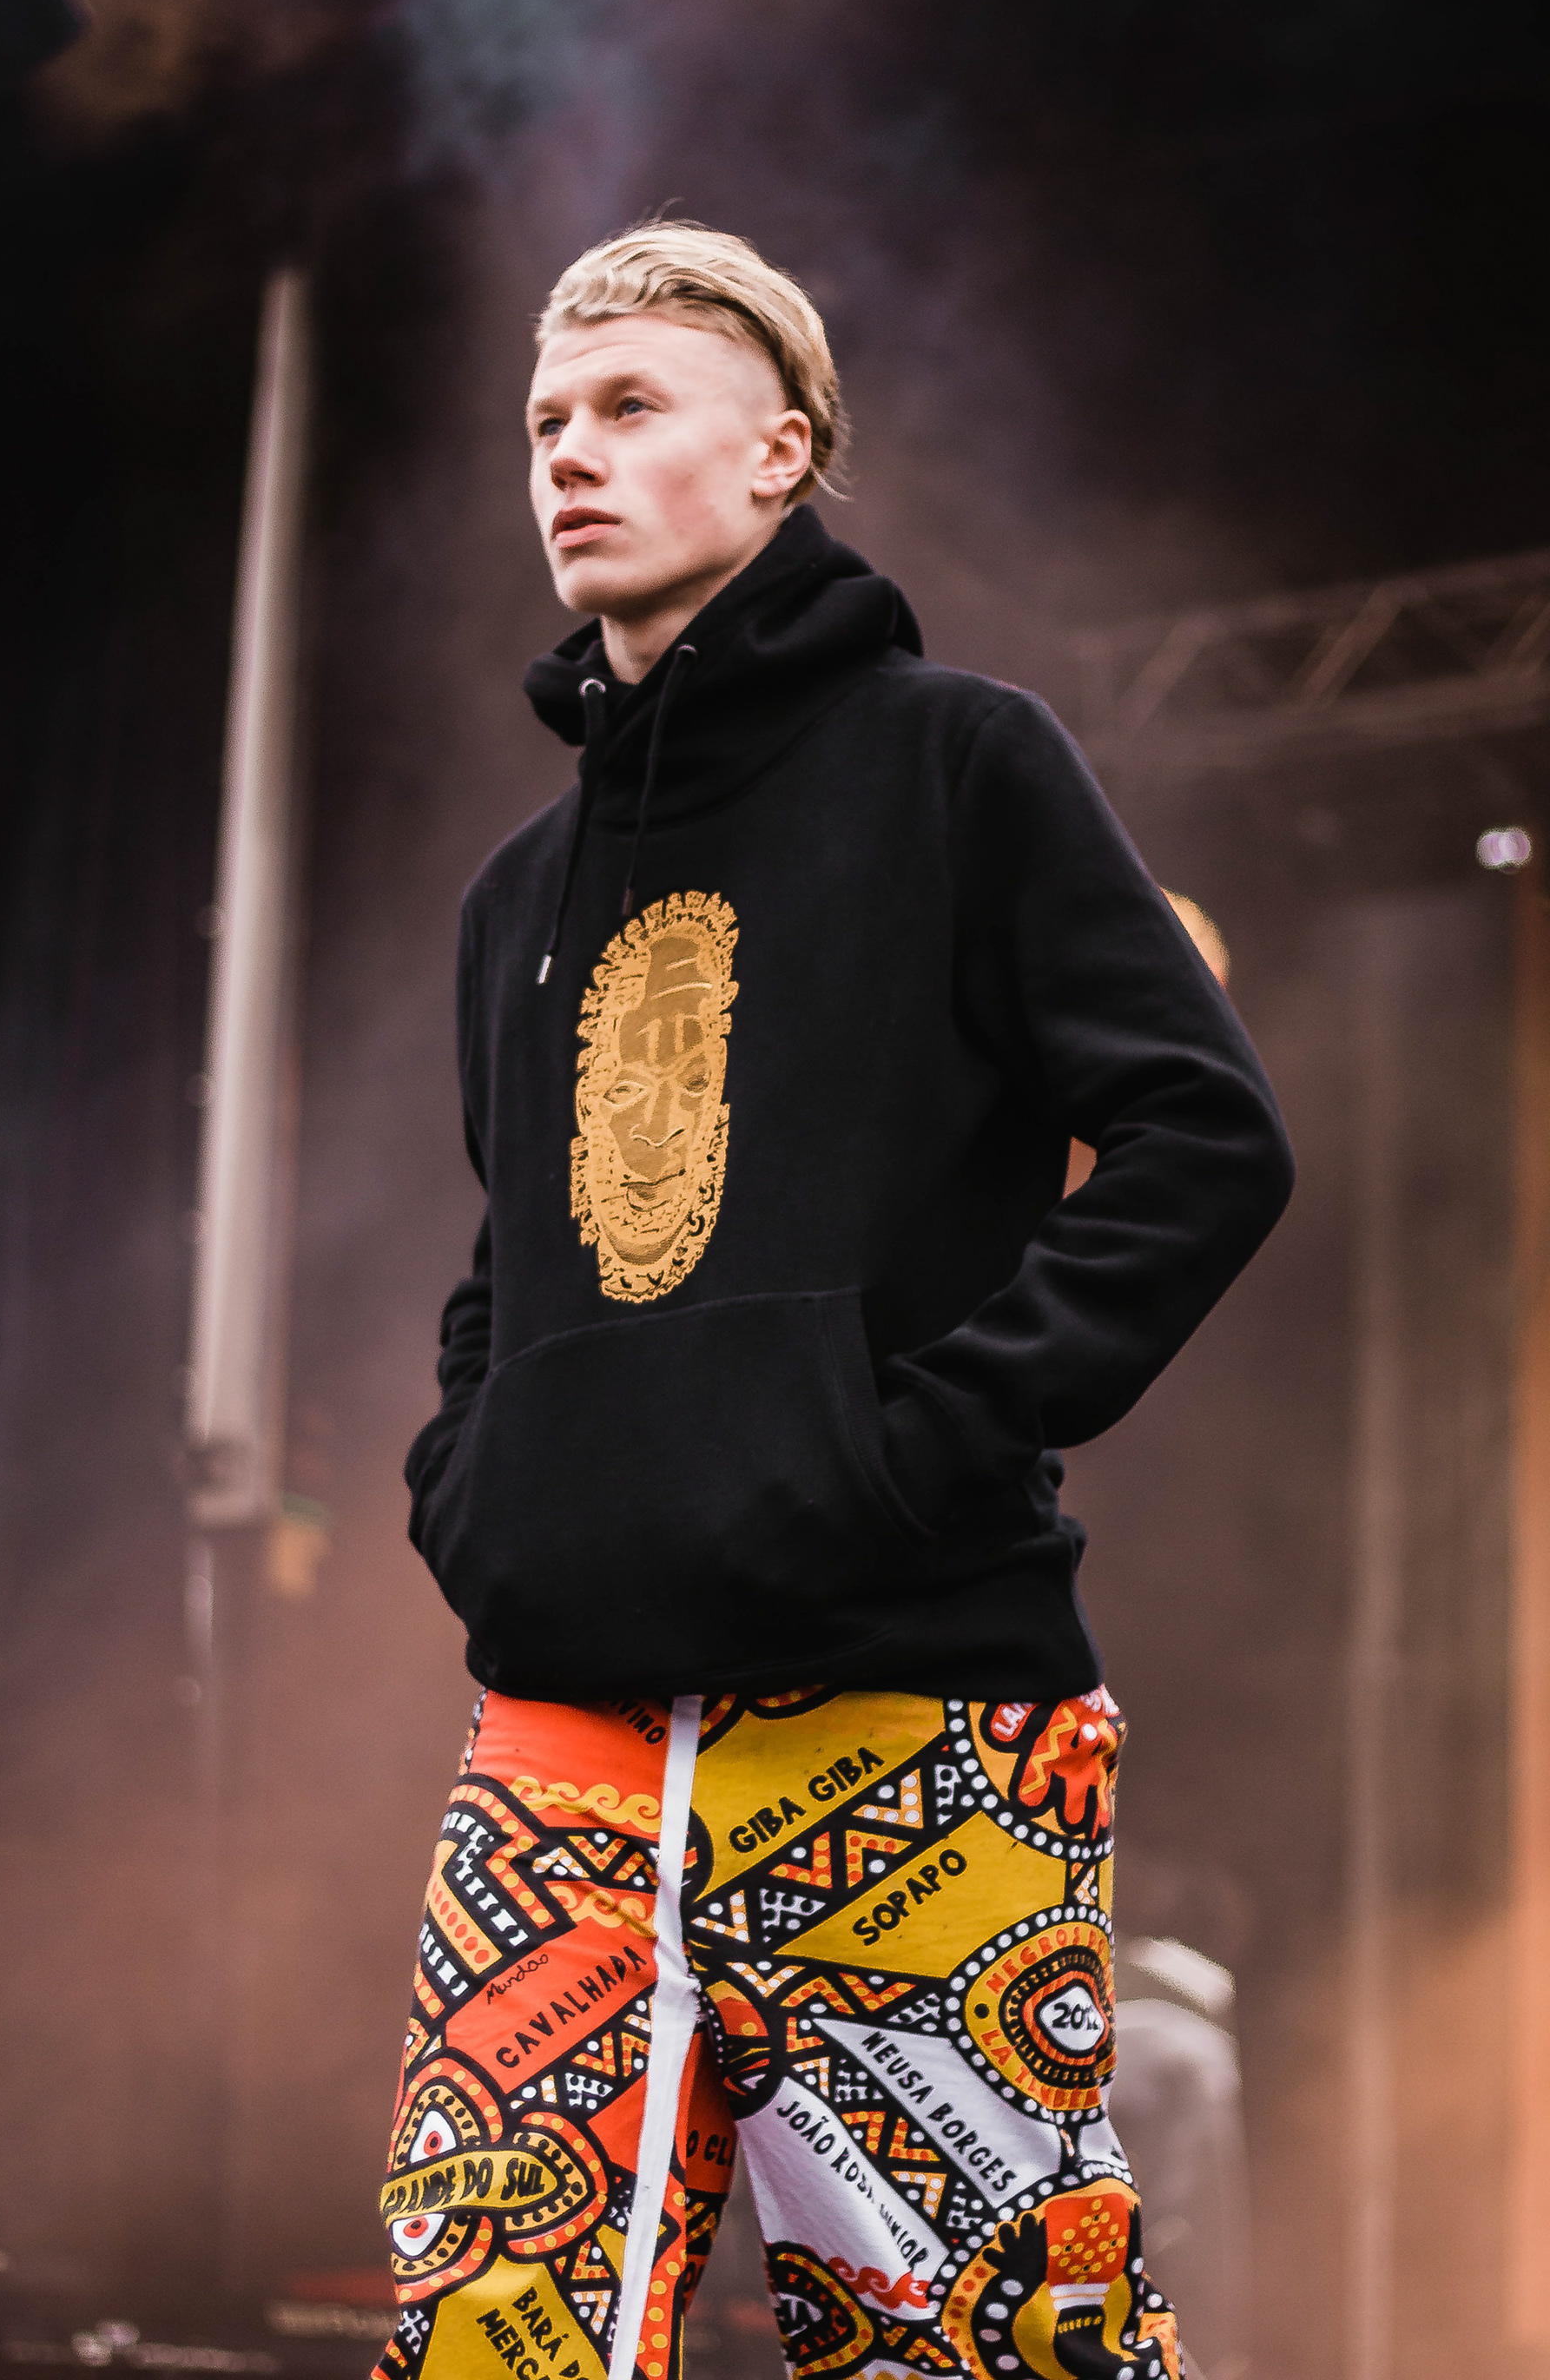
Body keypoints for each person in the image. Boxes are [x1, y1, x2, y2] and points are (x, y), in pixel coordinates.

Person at [373, 222, 1293, 2380]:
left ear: (779, 453)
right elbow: (510, 1264)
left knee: (972, 2348)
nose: (567, 457)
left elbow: (1205, 1139)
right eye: (543, 421)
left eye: (629, 408)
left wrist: (909, 1455)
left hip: (908, 1710)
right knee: (488, 2338)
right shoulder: (520, 892)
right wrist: (476, 1494)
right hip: (564, 1739)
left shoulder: (963, 764)